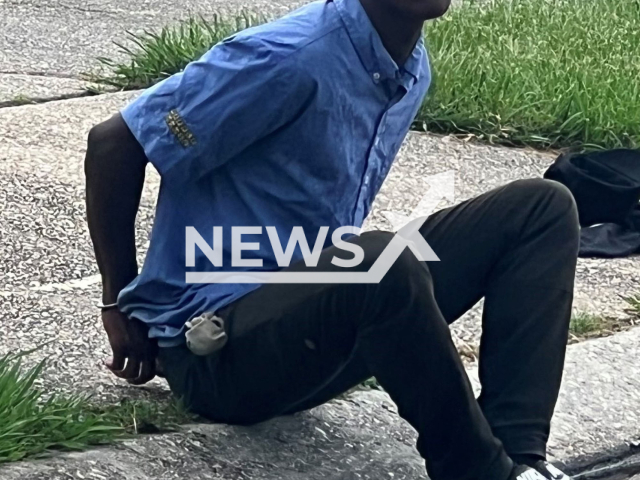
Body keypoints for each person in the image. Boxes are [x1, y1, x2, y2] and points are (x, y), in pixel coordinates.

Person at [84, 0, 579, 479]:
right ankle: (479, 473)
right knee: (380, 260)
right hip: (218, 356)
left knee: (541, 207)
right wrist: (120, 301)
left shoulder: (408, 69)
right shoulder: (285, 57)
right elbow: (114, 144)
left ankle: (521, 458)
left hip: (313, 327)